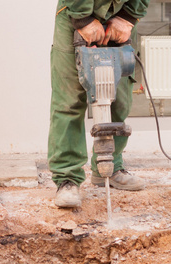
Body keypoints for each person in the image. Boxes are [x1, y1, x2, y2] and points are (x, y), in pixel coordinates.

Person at [48, 0, 150, 208]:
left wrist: (129, 16)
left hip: (119, 16)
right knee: (69, 102)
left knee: (120, 98)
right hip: (75, 13)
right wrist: (83, 19)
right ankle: (67, 178)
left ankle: (110, 167)